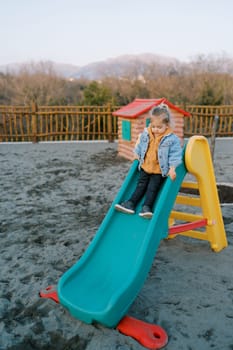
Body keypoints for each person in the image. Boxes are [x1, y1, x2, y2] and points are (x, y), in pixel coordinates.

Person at [115, 103, 182, 218]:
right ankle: (130, 204)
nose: (155, 129)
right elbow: (141, 145)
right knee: (140, 186)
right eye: (153, 126)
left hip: (159, 171)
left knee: (152, 188)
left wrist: (172, 168)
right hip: (145, 167)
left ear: (167, 125)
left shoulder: (172, 139)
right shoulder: (147, 134)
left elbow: (175, 155)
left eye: (159, 127)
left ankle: (147, 207)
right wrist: (137, 154)